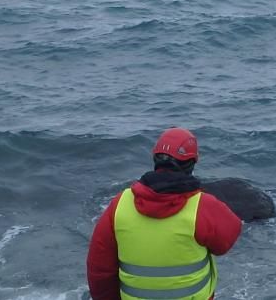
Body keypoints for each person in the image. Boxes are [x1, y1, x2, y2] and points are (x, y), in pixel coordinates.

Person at [87, 128, 242, 300]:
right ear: (192, 162)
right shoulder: (203, 205)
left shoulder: (119, 204)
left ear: (155, 159)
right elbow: (224, 243)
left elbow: (99, 269)